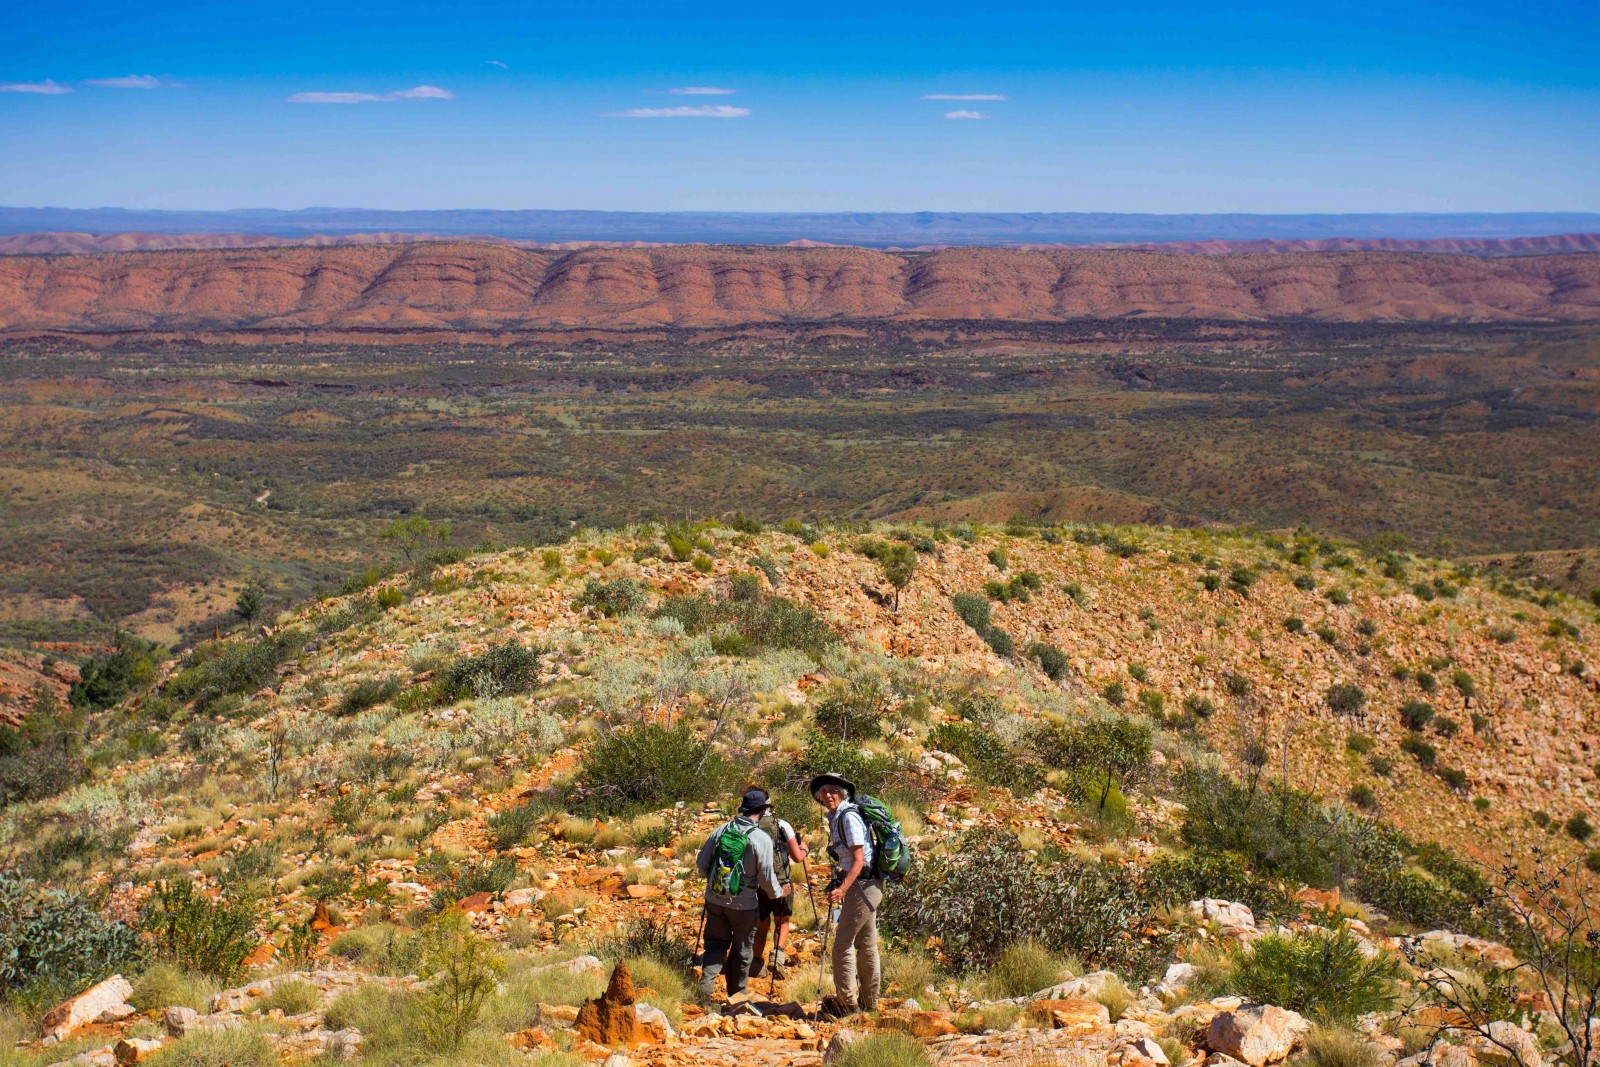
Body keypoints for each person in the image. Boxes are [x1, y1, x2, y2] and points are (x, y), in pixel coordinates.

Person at [695, 788, 785, 1002]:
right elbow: (765, 876)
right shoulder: (760, 838)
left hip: (715, 899)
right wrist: (778, 894)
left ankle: (705, 988)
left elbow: (701, 864)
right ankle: (737, 995)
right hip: (744, 905)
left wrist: (717, 882)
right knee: (743, 947)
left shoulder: (722, 829)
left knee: (715, 943)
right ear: (762, 811)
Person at [809, 771, 881, 1016]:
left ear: (842, 793)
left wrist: (841, 889)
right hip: (866, 885)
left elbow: (859, 861)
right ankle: (870, 1005)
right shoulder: (838, 817)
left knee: (842, 946)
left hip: (861, 886)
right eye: (824, 792)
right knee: (867, 945)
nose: (828, 795)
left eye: (833, 791)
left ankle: (848, 1005)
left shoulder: (848, 818)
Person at [750, 792, 808, 981]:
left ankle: (756, 963)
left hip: (757, 884)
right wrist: (805, 848)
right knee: (782, 921)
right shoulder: (781, 825)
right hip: (782, 882)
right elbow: (798, 858)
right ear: (768, 804)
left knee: (761, 925)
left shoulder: (750, 824)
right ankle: (777, 956)